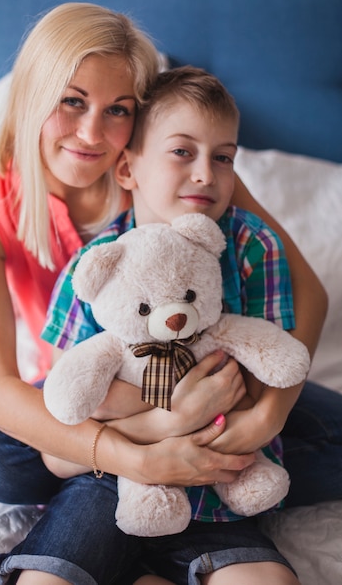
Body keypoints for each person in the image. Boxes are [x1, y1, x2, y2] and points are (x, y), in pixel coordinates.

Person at [0, 2, 334, 585]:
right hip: (92, 393)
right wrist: (148, 445)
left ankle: (178, 502)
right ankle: (138, 490)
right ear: (32, 95)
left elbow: (310, 294)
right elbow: (0, 393)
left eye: (118, 110)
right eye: (71, 101)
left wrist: (264, 419)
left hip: (212, 375)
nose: (91, 133)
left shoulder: (176, 166)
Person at [38, 66, 302, 585]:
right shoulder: (94, 267)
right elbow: (61, 434)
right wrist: (153, 427)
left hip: (220, 478)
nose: (206, 172)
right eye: (182, 151)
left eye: (223, 157)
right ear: (127, 168)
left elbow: (270, 374)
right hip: (108, 481)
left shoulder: (251, 247)